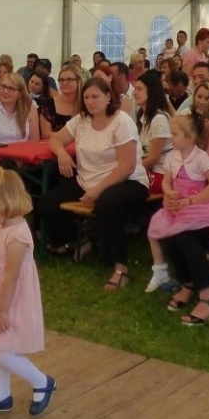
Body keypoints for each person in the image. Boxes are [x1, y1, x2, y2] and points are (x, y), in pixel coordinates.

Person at [39, 76, 151, 290]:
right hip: (86, 180)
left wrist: (97, 190)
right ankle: (77, 240)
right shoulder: (81, 120)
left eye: (96, 96)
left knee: (106, 204)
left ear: (108, 96)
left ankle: (120, 268)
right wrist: (62, 153)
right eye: (87, 97)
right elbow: (54, 139)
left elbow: (126, 166)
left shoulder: (122, 122)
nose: (90, 101)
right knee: (47, 204)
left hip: (127, 180)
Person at [0, 170, 55, 416]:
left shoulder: (17, 235)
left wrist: (1, 309)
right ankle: (2, 394)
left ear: (3, 203)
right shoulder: (0, 226)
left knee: (5, 352)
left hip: (11, 299)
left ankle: (42, 382)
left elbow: (11, 276)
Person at [145, 114, 209, 299]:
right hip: (179, 203)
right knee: (154, 226)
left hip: (198, 201)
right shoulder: (172, 158)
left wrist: (195, 198)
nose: (170, 138)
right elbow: (167, 182)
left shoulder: (201, 157)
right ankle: (159, 268)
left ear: (190, 137)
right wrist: (168, 192)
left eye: (175, 134)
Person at [133, 69, 173, 177]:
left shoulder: (159, 119)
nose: (135, 92)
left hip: (161, 172)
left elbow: (153, 159)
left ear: (151, 91)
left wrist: (131, 170)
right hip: (149, 170)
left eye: (139, 89)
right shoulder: (143, 116)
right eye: (135, 88)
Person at [0, 72, 38, 146]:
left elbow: (35, 143)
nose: (5, 91)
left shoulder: (30, 108)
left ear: (20, 94)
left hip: (24, 155)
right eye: (3, 86)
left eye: (11, 88)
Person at [38, 65, 83, 138]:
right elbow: (46, 135)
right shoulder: (48, 105)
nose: (65, 83)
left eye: (69, 79)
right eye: (61, 80)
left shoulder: (86, 104)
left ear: (78, 81)